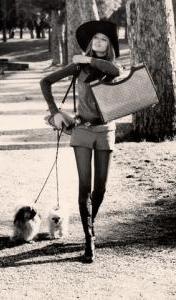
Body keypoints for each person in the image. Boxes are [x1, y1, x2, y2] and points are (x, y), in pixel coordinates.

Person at [40, 20, 122, 263]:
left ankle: (89, 224)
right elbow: (45, 82)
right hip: (82, 131)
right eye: (95, 38)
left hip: (106, 130)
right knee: (84, 187)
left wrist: (89, 60)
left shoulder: (110, 67)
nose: (98, 42)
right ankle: (89, 240)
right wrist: (55, 111)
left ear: (109, 44)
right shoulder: (77, 68)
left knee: (101, 188)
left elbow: (116, 71)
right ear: (90, 42)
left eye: (103, 39)